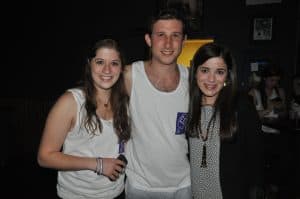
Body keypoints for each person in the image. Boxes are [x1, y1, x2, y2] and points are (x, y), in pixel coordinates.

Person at [37, 39, 131, 199]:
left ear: (121, 68)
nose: (107, 69)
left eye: (114, 63)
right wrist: (98, 164)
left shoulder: (125, 101)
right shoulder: (71, 101)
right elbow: (44, 157)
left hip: (116, 192)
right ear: (90, 64)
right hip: (78, 195)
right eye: (100, 62)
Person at [123, 8, 191, 199]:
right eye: (161, 35)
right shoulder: (130, 75)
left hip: (183, 184)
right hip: (140, 185)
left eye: (175, 35)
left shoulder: (193, 79)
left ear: (184, 41)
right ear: (148, 39)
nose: (168, 43)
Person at [186, 42, 264, 199]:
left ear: (228, 76)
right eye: (205, 70)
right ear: (195, 73)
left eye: (219, 72)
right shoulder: (188, 105)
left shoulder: (241, 106)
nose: (211, 79)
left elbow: (257, 157)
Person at [248, 63, 287, 134]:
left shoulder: (280, 91)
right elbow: (250, 117)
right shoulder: (254, 92)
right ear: (264, 78)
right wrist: (267, 110)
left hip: (276, 130)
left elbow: (285, 113)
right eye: (272, 80)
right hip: (259, 132)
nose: (274, 83)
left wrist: (277, 110)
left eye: (277, 80)